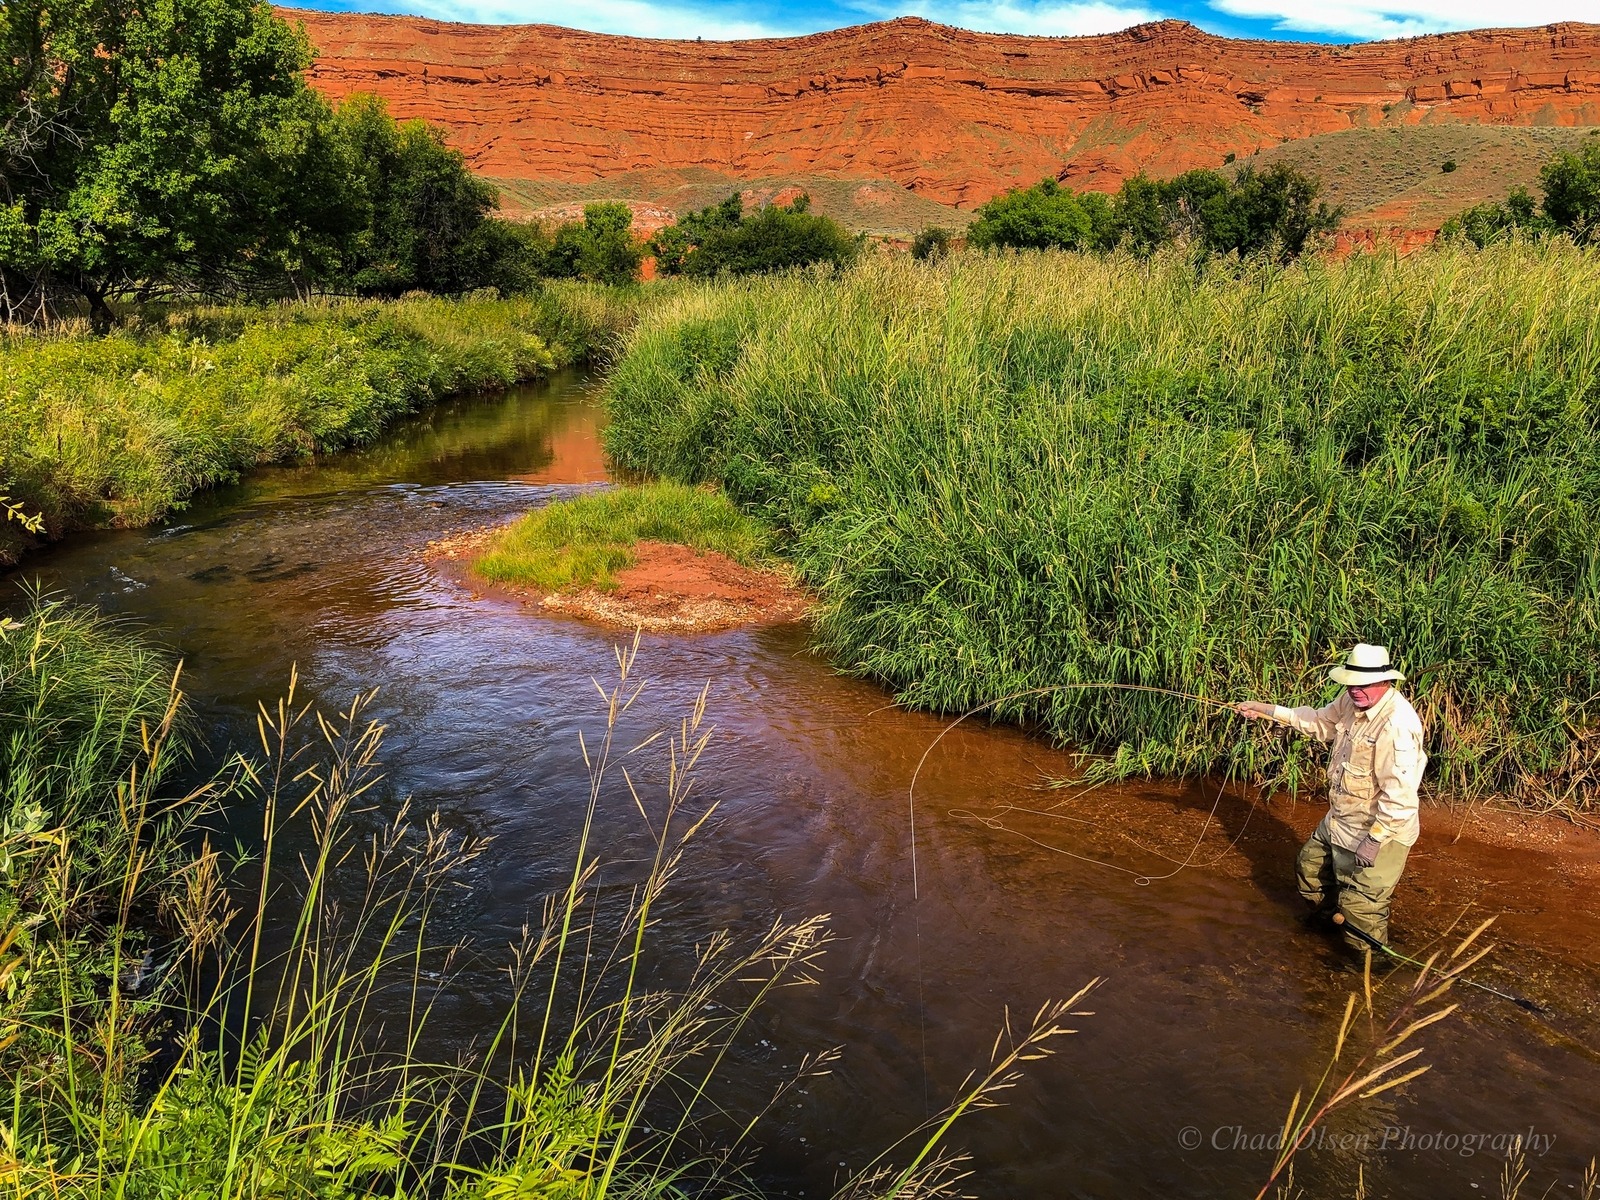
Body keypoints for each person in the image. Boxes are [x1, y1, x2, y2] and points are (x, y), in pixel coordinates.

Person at [1235, 643, 1426, 962]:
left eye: (1363, 685)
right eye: (1351, 683)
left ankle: (1371, 967)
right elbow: (1319, 722)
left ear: (1385, 682)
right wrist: (1266, 709)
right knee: (1308, 869)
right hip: (1341, 818)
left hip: (1380, 830)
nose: (1355, 691)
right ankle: (1326, 928)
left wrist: (1375, 840)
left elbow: (1401, 798)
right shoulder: (1351, 701)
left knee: (1362, 909)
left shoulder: (1397, 725)